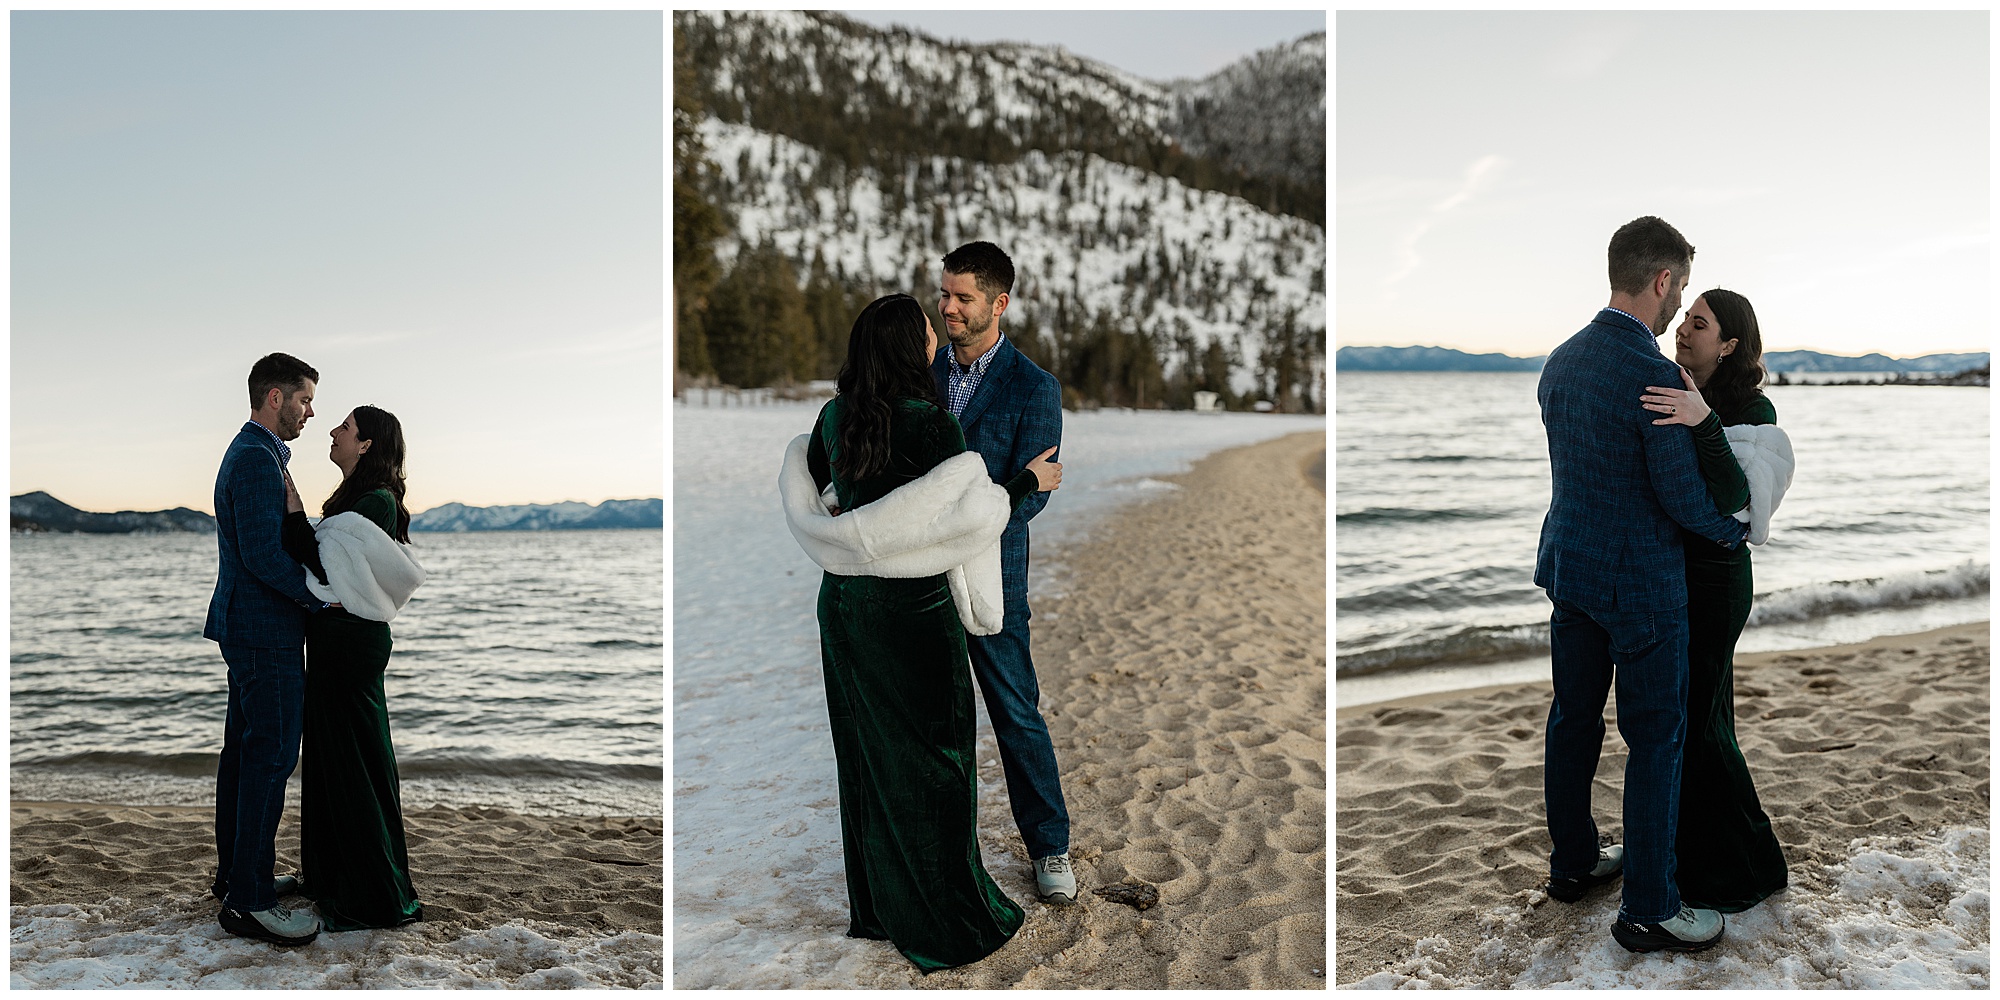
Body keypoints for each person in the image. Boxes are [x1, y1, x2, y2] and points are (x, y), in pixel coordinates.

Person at [786, 293, 1062, 971]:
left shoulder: (830, 419)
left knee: (867, 756)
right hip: (913, 612)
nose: (938, 338)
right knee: (939, 762)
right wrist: (1025, 482)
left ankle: (877, 907)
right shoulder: (934, 427)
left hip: (846, 609)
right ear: (909, 349)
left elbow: (824, 494)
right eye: (926, 332)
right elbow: (968, 524)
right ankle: (948, 913)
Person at [1533, 217, 1750, 954]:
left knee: (1574, 721)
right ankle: (1650, 907)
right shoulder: (1654, 376)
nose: (1677, 307)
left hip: (1571, 573)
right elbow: (1682, 499)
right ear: (1662, 281)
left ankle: (1573, 864)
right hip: (1643, 592)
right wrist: (1735, 530)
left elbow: (1583, 474)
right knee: (1657, 739)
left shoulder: (1559, 363)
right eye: (1680, 290)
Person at [928, 241, 1076, 905]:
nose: (948, 307)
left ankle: (1050, 847)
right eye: (945, 294)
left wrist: (968, 512)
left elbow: (1035, 493)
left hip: (995, 574)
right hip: (919, 573)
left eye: (962, 297)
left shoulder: (1035, 387)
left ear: (999, 303)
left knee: (1015, 711)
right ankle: (940, 849)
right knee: (934, 716)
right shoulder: (923, 371)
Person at [1639, 290, 1791, 913]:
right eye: (1682, 318)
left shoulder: (1751, 408)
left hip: (1718, 581)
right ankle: (1744, 859)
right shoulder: (1673, 382)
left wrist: (1702, 422)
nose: (1682, 329)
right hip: (1680, 576)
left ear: (1728, 344)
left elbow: (1739, 499)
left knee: (1697, 728)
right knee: (1707, 722)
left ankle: (1733, 875)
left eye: (1698, 324)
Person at [281, 405, 426, 931]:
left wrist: (294, 512)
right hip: (335, 640)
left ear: (366, 444)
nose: (334, 432)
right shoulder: (352, 501)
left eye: (345, 427)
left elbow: (324, 563)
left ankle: (371, 894)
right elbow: (328, 560)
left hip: (349, 644)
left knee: (354, 762)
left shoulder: (375, 501)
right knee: (332, 757)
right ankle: (333, 877)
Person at [205, 352, 331, 947]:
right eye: (305, 399)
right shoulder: (257, 459)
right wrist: (318, 598)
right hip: (265, 631)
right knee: (270, 759)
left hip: (250, 628)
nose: (310, 412)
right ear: (275, 397)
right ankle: (249, 901)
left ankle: (237, 876)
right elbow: (260, 555)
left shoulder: (256, 453)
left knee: (244, 755)